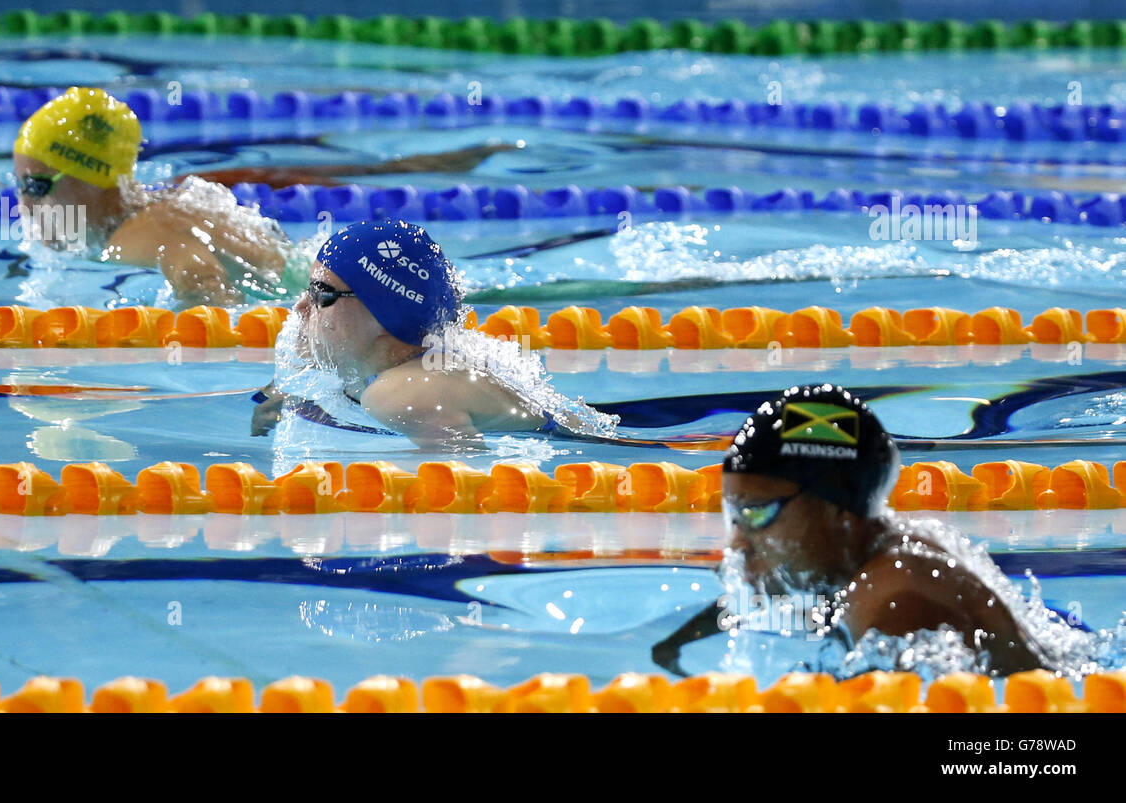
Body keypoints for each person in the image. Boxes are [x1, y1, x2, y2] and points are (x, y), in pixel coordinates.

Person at [653, 384, 1047, 676]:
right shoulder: (872, 553)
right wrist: (675, 643)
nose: (739, 540)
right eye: (734, 516)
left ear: (838, 511)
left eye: (756, 513)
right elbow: (781, 604)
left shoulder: (896, 590)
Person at [250, 219, 566, 445]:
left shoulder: (400, 393)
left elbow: (466, 490)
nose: (300, 307)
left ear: (384, 315)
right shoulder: (402, 370)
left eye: (322, 294)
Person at [13, 86, 289, 306]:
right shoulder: (164, 209)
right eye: (20, 186)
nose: (24, 204)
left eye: (37, 186)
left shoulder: (138, 235)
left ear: (91, 180)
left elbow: (205, 283)